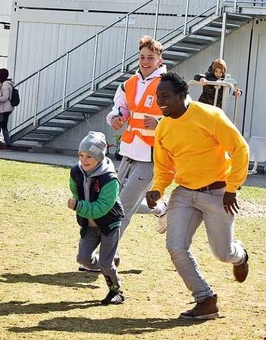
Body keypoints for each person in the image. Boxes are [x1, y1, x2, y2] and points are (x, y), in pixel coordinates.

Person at [146, 72, 249, 320]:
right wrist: (157, 189)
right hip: (184, 194)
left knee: (222, 254)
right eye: (158, 97)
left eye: (165, 96)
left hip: (218, 193)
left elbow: (239, 149)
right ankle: (205, 299)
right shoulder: (163, 129)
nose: (160, 102)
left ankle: (240, 256)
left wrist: (232, 188)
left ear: (182, 95)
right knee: (175, 246)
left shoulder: (209, 116)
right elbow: (164, 168)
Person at [105, 35, 168, 240]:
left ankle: (105, 254)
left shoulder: (169, 85)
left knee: (121, 206)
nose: (145, 61)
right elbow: (119, 108)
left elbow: (183, 117)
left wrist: (159, 124)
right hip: (128, 152)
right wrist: (115, 117)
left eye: (151, 57)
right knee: (114, 202)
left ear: (160, 60)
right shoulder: (128, 84)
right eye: (142, 57)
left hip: (151, 156)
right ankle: (161, 209)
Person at [68, 131, 125, 305]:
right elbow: (76, 191)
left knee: (106, 266)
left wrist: (79, 206)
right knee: (83, 259)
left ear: (99, 158)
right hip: (89, 224)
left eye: (89, 156)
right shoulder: (76, 171)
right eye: (81, 155)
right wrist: (80, 207)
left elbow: (101, 208)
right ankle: (107, 262)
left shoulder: (110, 179)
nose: (83, 160)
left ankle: (117, 291)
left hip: (109, 224)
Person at [0, 68, 14, 150]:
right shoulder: (6, 84)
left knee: (2, 126)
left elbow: (4, 98)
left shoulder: (5, 85)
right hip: (4, 109)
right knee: (0, 125)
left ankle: (7, 144)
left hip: (5, 109)